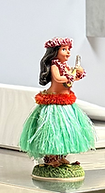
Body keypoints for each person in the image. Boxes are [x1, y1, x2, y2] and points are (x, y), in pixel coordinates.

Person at [19, 37, 96, 181]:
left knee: (66, 133)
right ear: (55, 51)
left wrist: (77, 73)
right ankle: (51, 158)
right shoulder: (55, 66)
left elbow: (71, 79)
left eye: (68, 50)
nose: (67, 53)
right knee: (54, 131)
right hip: (54, 104)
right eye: (64, 49)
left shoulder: (65, 66)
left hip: (66, 103)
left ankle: (60, 157)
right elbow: (60, 79)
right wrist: (72, 74)